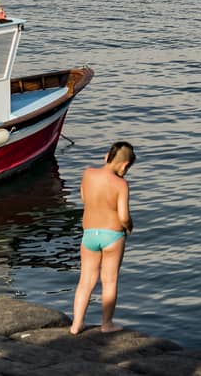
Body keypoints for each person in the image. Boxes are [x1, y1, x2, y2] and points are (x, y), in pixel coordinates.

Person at [70, 141, 136, 334]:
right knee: (109, 280)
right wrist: (129, 227)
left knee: (85, 281)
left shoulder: (88, 174)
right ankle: (107, 324)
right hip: (112, 235)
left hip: (89, 233)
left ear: (106, 156)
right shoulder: (121, 184)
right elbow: (123, 216)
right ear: (124, 165)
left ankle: (76, 325)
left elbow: (84, 197)